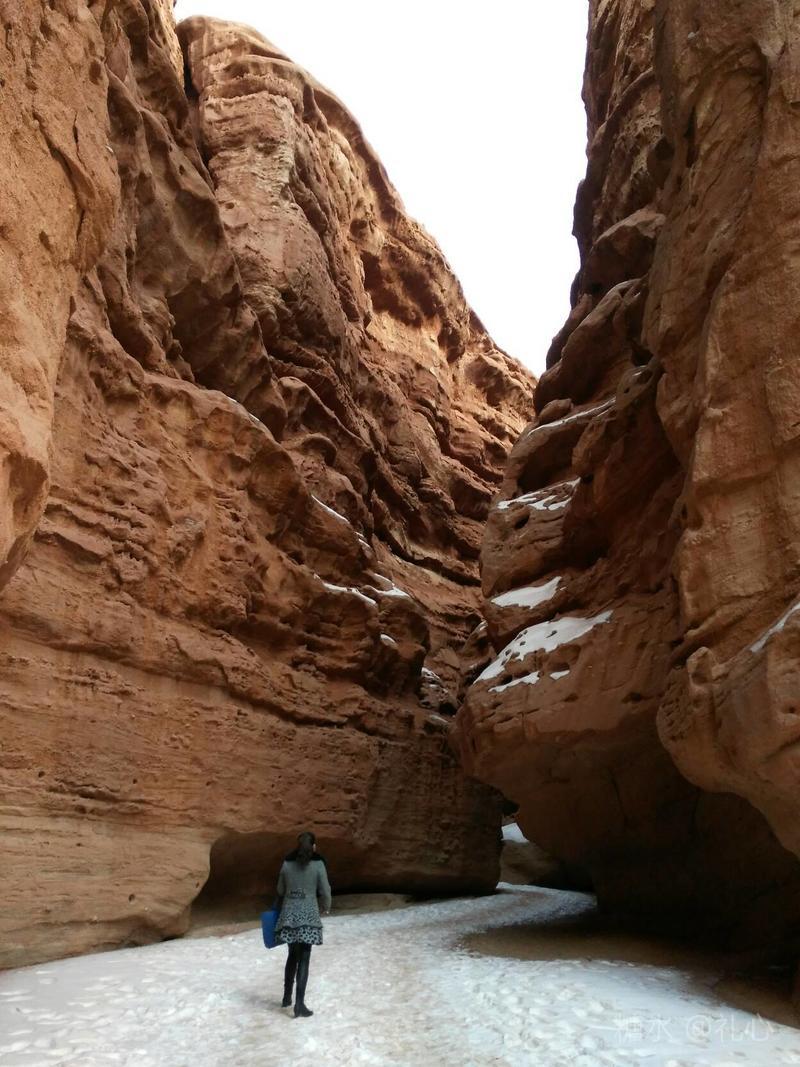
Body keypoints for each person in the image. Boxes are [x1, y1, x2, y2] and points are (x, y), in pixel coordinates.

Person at [275, 831, 332, 1018]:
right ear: (314, 846)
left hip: (289, 915)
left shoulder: (287, 863)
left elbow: (280, 889)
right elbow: (325, 890)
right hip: (309, 917)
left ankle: (286, 997)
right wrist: (326, 906)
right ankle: (299, 1004)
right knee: (305, 957)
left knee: (292, 954)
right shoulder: (318, 864)